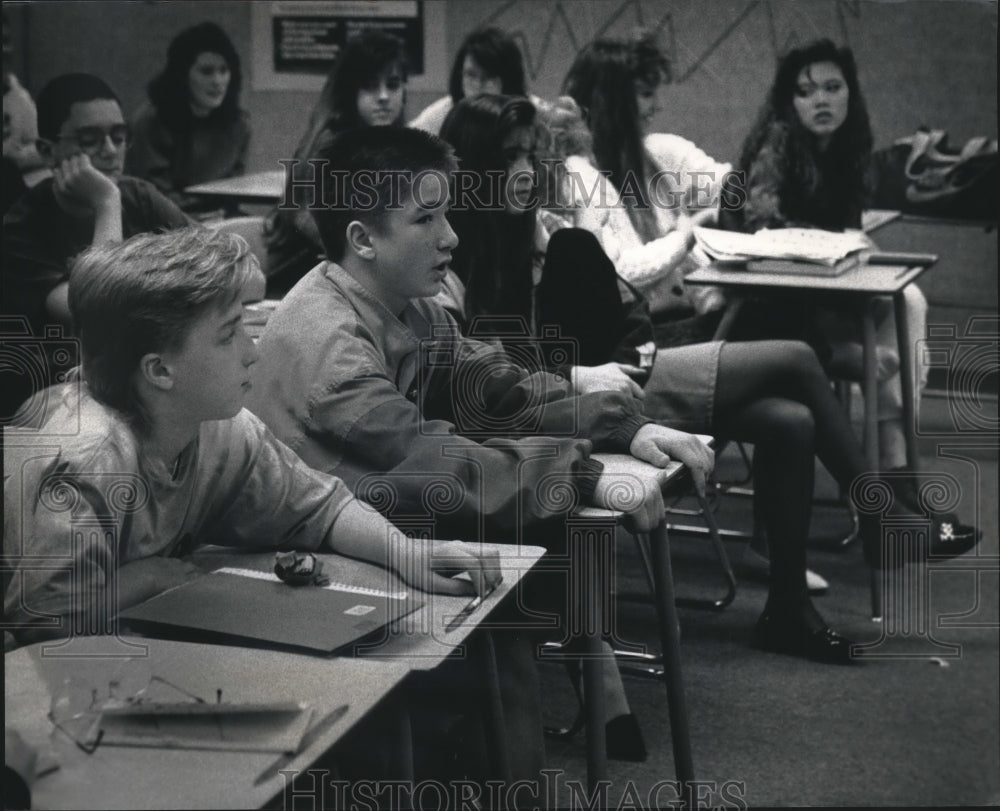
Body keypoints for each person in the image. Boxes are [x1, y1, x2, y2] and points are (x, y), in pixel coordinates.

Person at [437, 92, 976, 666]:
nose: (525, 171)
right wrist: (578, 370)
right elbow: (490, 375)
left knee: (790, 421)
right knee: (796, 357)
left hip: (619, 377)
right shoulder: (454, 255)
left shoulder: (535, 232)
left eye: (529, 156)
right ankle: (879, 516)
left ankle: (789, 611)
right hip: (576, 402)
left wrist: (623, 348)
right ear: (474, 167)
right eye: (509, 158)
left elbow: (622, 304)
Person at [247, 124, 715, 758]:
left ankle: (554, 705)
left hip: (378, 523)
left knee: (532, 568)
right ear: (363, 240)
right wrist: (582, 474)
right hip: (301, 558)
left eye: (446, 214)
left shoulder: (402, 303)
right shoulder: (330, 347)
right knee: (507, 612)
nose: (451, 237)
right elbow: (429, 461)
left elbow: (497, 387)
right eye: (426, 219)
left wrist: (627, 427)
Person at [3, 226, 501, 644]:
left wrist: (404, 551)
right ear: (159, 370)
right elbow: (40, 628)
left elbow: (320, 507)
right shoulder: (86, 457)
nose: (252, 351)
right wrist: (145, 579)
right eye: (229, 334)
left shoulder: (218, 425)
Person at [718, 38, 928, 474]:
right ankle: (837, 361)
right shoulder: (777, 141)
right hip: (769, 295)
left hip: (823, 283)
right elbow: (762, 226)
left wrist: (851, 246)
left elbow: (845, 225)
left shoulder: (848, 146)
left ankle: (893, 451)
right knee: (897, 305)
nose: (821, 100)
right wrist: (839, 245)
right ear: (789, 101)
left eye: (833, 87)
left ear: (850, 92)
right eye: (806, 91)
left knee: (909, 299)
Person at [2, 73, 189, 422]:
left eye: (119, 136)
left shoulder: (139, 196)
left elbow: (239, 270)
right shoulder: (20, 229)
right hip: (61, 400)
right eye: (90, 140)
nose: (110, 150)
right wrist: (106, 203)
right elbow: (102, 308)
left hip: (143, 377)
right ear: (47, 151)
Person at [561, 32, 732, 324]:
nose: (657, 106)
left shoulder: (659, 153)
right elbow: (616, 272)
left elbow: (732, 186)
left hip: (689, 317)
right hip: (644, 334)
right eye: (645, 93)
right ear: (611, 101)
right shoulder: (577, 174)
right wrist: (686, 236)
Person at [263, 30, 408, 295]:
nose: (384, 96)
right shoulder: (330, 143)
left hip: (346, 276)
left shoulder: (390, 143)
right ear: (349, 91)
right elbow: (309, 221)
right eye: (370, 86)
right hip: (295, 281)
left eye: (393, 85)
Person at [125, 22, 249, 218]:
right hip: (163, 222)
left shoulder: (239, 125)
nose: (218, 81)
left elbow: (233, 192)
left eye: (224, 71)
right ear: (182, 75)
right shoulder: (149, 122)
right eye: (206, 71)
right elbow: (152, 198)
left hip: (218, 219)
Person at [409, 26, 537, 136]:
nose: (478, 85)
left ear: (508, 80)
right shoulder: (440, 116)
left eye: (489, 77)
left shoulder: (532, 113)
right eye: (471, 75)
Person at [3, 11, 47, 192]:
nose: (4, 50)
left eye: (5, 41)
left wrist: (18, 158)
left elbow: (42, 147)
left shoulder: (17, 95)